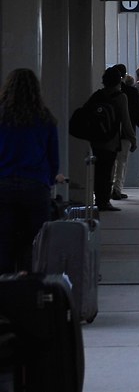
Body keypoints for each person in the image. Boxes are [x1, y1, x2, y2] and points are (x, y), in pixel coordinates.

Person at [0, 69, 64, 274]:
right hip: (35, 185)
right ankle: (30, 286)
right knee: (36, 241)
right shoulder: (45, 118)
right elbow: (53, 159)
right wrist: (49, 179)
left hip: (3, 183)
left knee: (4, 240)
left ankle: (6, 285)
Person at [90, 67, 136, 212]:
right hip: (111, 139)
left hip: (96, 138)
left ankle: (98, 198)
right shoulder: (120, 97)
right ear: (119, 81)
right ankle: (104, 201)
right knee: (108, 169)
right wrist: (132, 138)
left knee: (98, 170)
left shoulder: (97, 95)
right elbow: (126, 121)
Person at [111, 63, 139, 200]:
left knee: (110, 162)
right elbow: (138, 113)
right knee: (121, 161)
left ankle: (107, 188)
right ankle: (117, 188)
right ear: (124, 76)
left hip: (108, 133)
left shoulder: (105, 93)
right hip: (125, 132)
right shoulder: (131, 92)